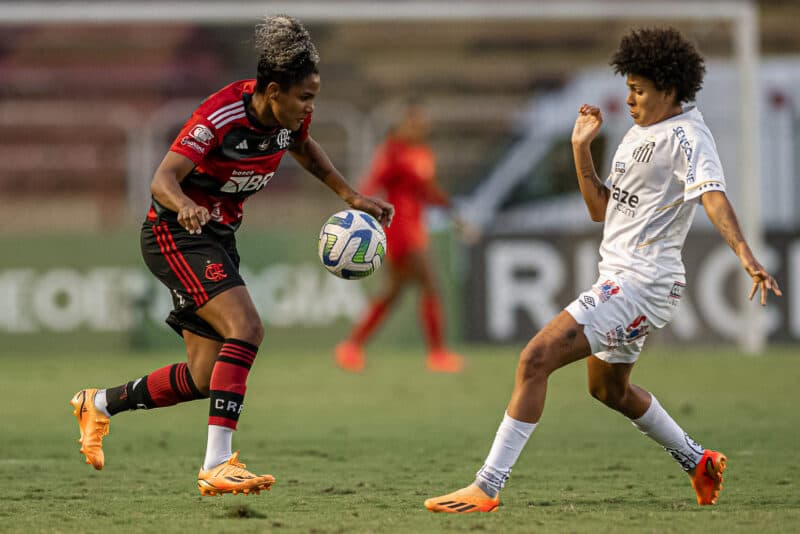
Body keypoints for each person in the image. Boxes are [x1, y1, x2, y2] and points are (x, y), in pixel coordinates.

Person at [424, 27, 781, 513]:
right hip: (620, 278)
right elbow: (601, 208)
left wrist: (744, 253)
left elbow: (712, 196)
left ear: (669, 90)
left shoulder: (687, 136)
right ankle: (699, 461)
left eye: (638, 90)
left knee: (535, 359)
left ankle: (487, 485)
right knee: (608, 390)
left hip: (641, 282)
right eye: (627, 88)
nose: (628, 99)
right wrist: (580, 149)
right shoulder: (637, 134)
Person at [69, 15, 393, 497]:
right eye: (304, 96)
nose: (309, 107)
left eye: (314, 98)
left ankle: (98, 404)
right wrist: (186, 207)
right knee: (247, 327)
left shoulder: (291, 119)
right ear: (273, 90)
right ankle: (217, 464)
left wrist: (349, 196)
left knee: (204, 377)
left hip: (219, 238)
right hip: (175, 234)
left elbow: (303, 148)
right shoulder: (220, 117)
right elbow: (162, 180)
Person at [333, 102, 464, 373]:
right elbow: (372, 182)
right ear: (404, 124)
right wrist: (359, 209)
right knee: (430, 284)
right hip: (399, 230)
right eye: (414, 122)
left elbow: (427, 190)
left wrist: (453, 213)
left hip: (416, 229)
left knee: (392, 293)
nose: (420, 127)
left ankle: (351, 346)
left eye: (421, 122)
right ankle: (437, 354)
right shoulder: (393, 152)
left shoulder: (422, 153)